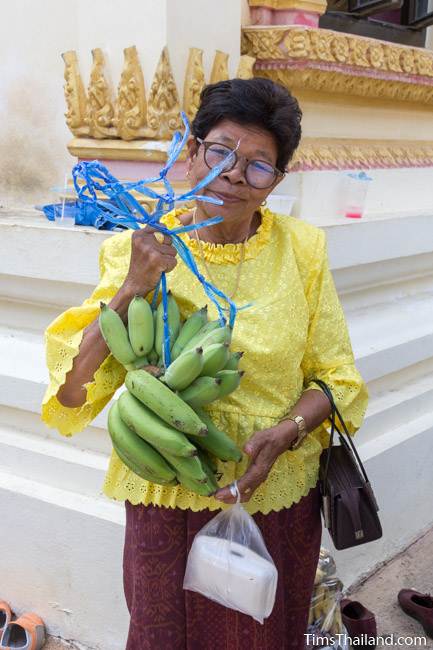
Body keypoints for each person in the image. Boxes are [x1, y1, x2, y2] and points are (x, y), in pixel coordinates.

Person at [42, 78, 369, 649]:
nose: (235, 175)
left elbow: (337, 379)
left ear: (277, 182)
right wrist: (131, 288)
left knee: (268, 633)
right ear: (191, 153)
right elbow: (74, 393)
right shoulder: (137, 249)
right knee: (166, 634)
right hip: (167, 498)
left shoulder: (303, 250)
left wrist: (287, 433)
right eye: (221, 151)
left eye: (259, 165)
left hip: (277, 496)